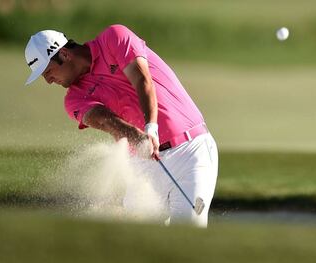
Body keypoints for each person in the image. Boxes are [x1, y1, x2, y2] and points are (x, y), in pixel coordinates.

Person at [24, 25, 218, 227]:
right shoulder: (73, 98)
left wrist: (151, 127)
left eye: (47, 72)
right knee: (138, 245)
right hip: (144, 164)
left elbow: (141, 78)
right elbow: (101, 118)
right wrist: (131, 133)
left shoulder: (113, 38)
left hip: (191, 151)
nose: (47, 81)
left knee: (187, 235)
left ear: (63, 54)